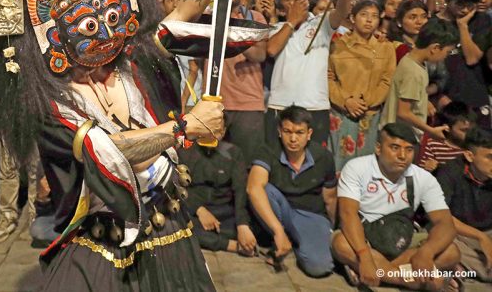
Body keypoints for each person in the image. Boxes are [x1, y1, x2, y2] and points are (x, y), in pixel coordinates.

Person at [0, 0, 266, 289]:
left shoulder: (134, 61)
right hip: (103, 241)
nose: (105, 33)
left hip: (170, 226)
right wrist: (182, 129)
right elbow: (106, 151)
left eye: (113, 15)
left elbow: (189, 6)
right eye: (87, 24)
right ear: (52, 34)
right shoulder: (50, 100)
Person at [333, 123, 461, 290]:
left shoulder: (423, 178)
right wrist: (364, 255)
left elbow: (446, 224)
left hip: (403, 240)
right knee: (341, 243)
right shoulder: (357, 168)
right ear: (378, 148)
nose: (402, 155)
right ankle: (409, 280)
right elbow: (348, 214)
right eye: (395, 147)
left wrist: (426, 252)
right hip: (366, 240)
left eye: (409, 150)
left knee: (452, 252)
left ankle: (378, 274)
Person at [264, 0, 353, 149]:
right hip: (280, 105)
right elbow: (271, 49)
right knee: (275, 159)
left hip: (314, 106)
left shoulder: (320, 22)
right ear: (282, 11)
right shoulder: (276, 28)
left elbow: (341, 12)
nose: (298, 1)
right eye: (290, 0)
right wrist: (291, 21)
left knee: (314, 160)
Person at [247, 106, 337, 277]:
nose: (293, 138)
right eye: (287, 131)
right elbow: (253, 188)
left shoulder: (323, 156)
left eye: (299, 132)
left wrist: (332, 229)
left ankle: (296, 243)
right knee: (263, 189)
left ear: (309, 133)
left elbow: (330, 198)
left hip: (310, 216)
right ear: (280, 131)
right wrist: (278, 230)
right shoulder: (268, 151)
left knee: (320, 268)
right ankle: (281, 237)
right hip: (280, 212)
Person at [328, 0, 396, 170]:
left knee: (367, 168)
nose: (369, 20)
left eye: (374, 16)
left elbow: (387, 80)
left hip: (370, 114)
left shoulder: (386, 47)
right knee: (339, 164)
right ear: (352, 17)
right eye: (364, 15)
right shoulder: (337, 45)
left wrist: (365, 102)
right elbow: (328, 78)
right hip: (342, 113)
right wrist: (346, 101)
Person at [180, 127, 256, 255]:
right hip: (195, 211)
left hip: (225, 211)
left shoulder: (234, 152)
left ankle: (217, 236)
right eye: (207, 127)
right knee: (179, 227)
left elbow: (240, 191)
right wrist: (200, 210)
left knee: (253, 227)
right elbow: (178, 187)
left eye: (217, 129)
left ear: (224, 131)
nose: (211, 133)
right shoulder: (186, 151)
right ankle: (233, 246)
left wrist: (242, 225)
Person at [381, 19, 459, 140]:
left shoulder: (411, 60)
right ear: (435, 48)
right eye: (447, 52)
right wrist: (431, 131)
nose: (446, 57)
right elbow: (403, 112)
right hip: (400, 137)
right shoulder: (413, 72)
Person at [436, 127, 492, 282]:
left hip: (487, 233)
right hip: (459, 233)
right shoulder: (450, 172)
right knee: (444, 244)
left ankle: (465, 270)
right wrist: (481, 237)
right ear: (469, 155)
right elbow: (441, 216)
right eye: (489, 157)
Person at [436, 0, 492, 129]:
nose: (466, 9)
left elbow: (472, 58)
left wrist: (463, 26)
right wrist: (437, 97)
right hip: (446, 102)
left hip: (476, 100)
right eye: (460, 3)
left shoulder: (482, 21)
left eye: (470, 4)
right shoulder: (435, 25)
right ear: (447, 0)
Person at [220, 0, 267, 162]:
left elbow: (260, 54)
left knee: (249, 164)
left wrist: (233, 32)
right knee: (215, 164)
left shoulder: (254, 17)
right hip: (216, 102)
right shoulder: (208, 17)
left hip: (248, 103)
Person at [417, 101, 473, 172]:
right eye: (463, 130)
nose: (469, 133)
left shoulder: (473, 146)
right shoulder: (433, 145)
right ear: (447, 128)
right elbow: (421, 172)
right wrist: (428, 167)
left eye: (470, 130)